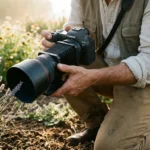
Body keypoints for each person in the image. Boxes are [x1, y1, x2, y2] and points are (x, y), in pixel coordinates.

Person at [41, 0, 150, 149]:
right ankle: (97, 124)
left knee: (108, 147)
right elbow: (75, 38)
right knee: (59, 61)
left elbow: (148, 61)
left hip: (144, 81)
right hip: (111, 72)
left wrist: (93, 76)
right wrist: (60, 44)